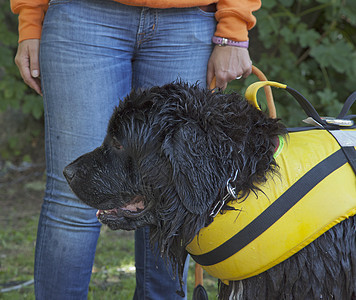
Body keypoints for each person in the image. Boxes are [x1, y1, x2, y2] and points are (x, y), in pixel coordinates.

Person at [10, 0, 261, 299]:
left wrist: (234, 25)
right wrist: (30, 17)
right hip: (81, 15)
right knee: (72, 197)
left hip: (187, 20)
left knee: (173, 194)